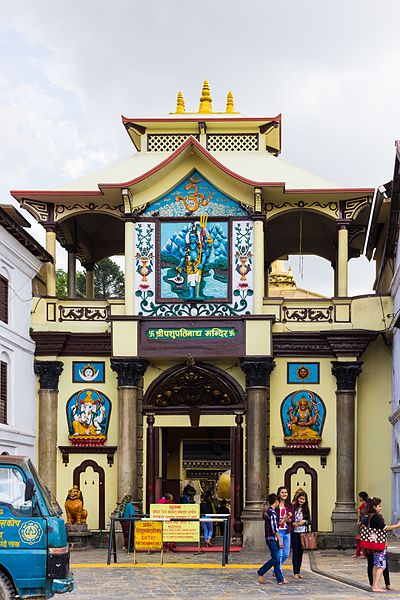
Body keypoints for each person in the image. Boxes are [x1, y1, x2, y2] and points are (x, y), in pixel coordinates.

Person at [257, 493, 288, 585]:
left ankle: (280, 579)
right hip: (272, 538)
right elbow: (275, 528)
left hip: (268, 538)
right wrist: (280, 540)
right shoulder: (273, 513)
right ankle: (261, 571)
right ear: (276, 502)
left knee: (276, 558)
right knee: (276, 559)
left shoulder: (267, 511)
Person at [362, 497, 390, 592]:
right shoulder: (376, 516)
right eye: (379, 506)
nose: (380, 508)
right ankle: (375, 586)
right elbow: (384, 528)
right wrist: (397, 526)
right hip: (378, 544)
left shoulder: (368, 516)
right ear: (374, 507)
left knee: (375, 565)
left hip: (373, 544)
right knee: (381, 566)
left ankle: (374, 585)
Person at [291, 490, 311, 579]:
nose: (301, 500)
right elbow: (289, 519)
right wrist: (292, 523)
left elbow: (310, 521)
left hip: (303, 533)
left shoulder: (306, 509)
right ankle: (295, 572)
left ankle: (298, 571)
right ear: (297, 498)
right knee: (295, 552)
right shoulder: (293, 507)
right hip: (294, 532)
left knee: (300, 553)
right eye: (300, 498)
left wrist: (305, 521)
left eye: (303, 499)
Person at [276, 486, 292, 571]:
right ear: (279, 494)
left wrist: (288, 519)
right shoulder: (276, 505)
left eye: (286, 492)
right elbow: (275, 519)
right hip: (278, 531)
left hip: (287, 531)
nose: (284, 494)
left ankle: (275, 570)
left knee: (286, 554)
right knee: (280, 553)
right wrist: (284, 519)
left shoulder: (289, 505)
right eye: (282, 492)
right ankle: (279, 572)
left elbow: (292, 519)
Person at [354, 491, 368, 558]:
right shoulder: (363, 505)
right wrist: (358, 520)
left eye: (359, 497)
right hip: (360, 523)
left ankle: (365, 554)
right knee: (358, 539)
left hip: (363, 524)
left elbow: (365, 515)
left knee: (363, 539)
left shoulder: (366, 505)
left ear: (361, 497)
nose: (359, 498)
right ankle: (357, 553)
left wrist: (362, 522)